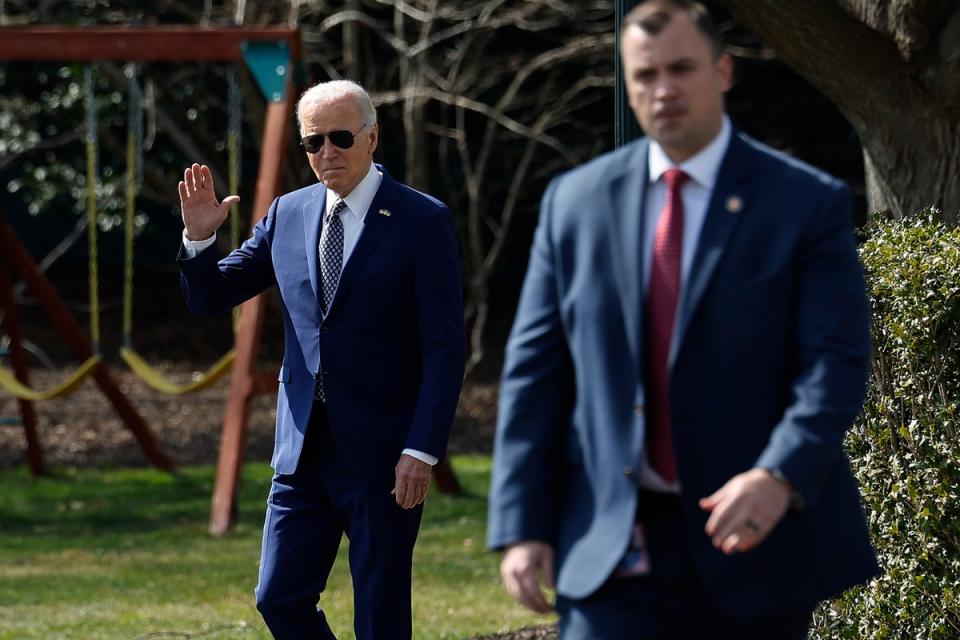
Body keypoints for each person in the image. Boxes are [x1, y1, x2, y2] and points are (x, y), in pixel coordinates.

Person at [486, 1, 879, 638]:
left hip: (752, 541)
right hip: (612, 546)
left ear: (722, 71)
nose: (663, 90)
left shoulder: (803, 204)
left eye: (681, 69)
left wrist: (779, 473)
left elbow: (832, 364)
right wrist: (522, 524)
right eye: (644, 75)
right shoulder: (575, 204)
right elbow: (537, 373)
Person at [177, 80, 465, 639]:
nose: (327, 152)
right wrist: (198, 240)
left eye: (340, 137)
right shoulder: (288, 213)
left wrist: (422, 449)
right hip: (302, 452)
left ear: (373, 136)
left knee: (380, 616)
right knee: (278, 598)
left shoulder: (422, 221)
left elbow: (446, 346)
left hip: (386, 456)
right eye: (313, 142)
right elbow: (212, 296)